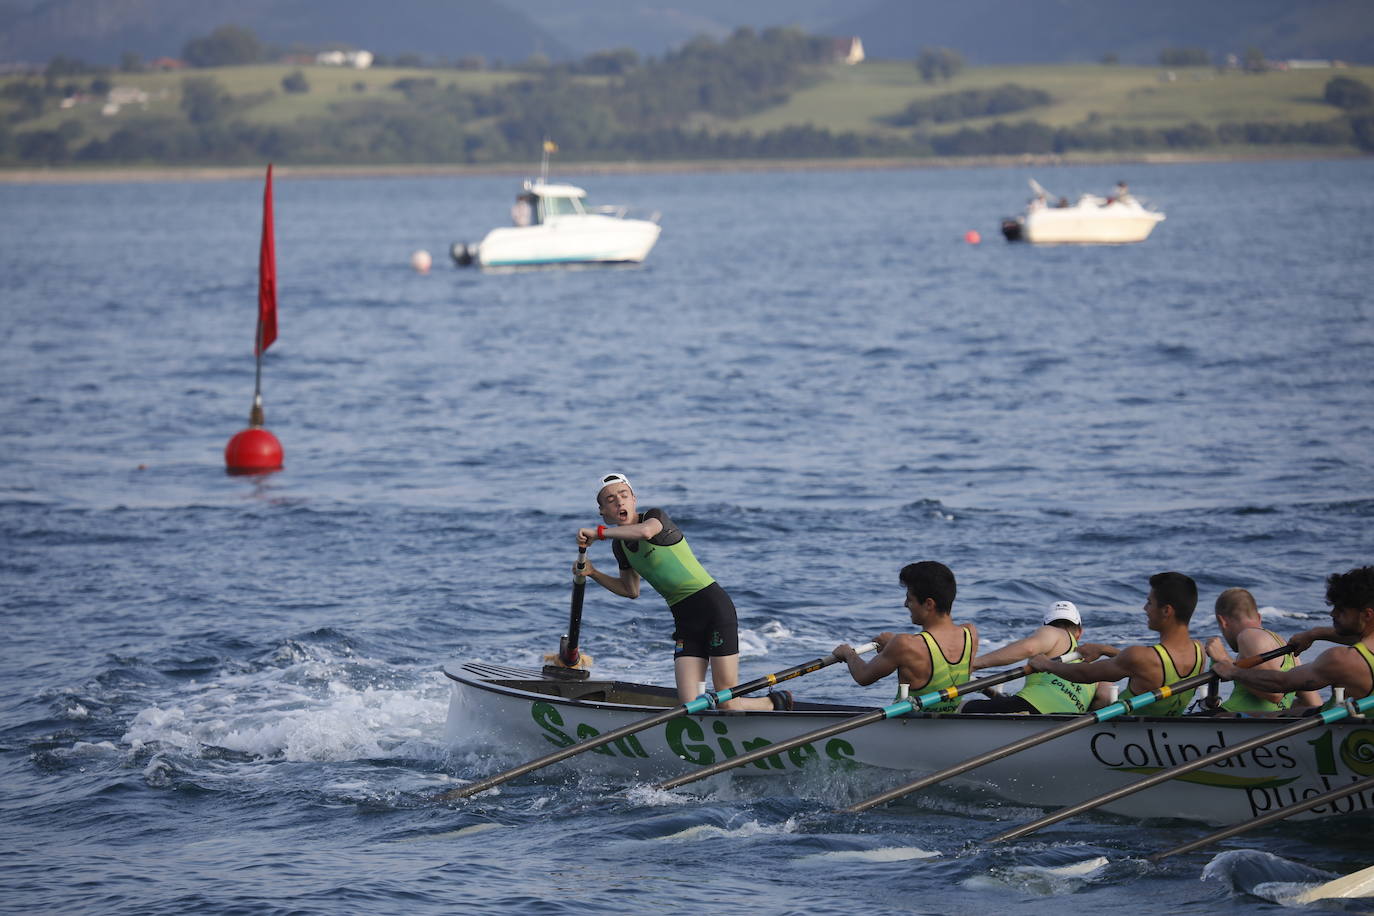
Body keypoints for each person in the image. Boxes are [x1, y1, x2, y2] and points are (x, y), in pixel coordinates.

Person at [576, 473, 781, 711]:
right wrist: (592, 572)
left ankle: (775, 702)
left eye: (624, 495)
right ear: (603, 512)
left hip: (714, 610)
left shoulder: (655, 517)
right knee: (691, 705)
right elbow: (631, 590)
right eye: (610, 500)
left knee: (729, 703)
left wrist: (599, 533)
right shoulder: (619, 546)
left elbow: (645, 533)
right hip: (685, 622)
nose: (619, 502)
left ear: (634, 499)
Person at [1027, 571, 1204, 716]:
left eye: (1150, 602)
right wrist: (1105, 650)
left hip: (1124, 733)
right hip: (1165, 731)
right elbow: (1150, 664)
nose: (1145, 608)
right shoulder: (1199, 651)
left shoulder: (1140, 657)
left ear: (1166, 611)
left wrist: (1047, 664)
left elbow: (1084, 674)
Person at [1212, 566, 1374, 708]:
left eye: (1341, 610)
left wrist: (1232, 670)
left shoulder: (1341, 659)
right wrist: (1315, 634)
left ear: (1367, 615)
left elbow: (1280, 683)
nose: (1332, 614)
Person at [831, 561, 978, 713]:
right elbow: (927, 650)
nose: (905, 604)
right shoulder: (970, 633)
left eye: (910, 599)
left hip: (909, 725)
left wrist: (848, 653)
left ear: (929, 604)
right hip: (948, 721)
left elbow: (863, 676)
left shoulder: (904, 644)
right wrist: (892, 645)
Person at [962, 600, 1112, 714]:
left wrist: (975, 664)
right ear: (1079, 632)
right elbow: (1105, 699)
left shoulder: (1055, 632)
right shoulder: (1098, 671)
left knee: (956, 708)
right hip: (1068, 723)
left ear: (1046, 624)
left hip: (1027, 706)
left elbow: (1029, 647)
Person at [1204, 587, 1322, 713]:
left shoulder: (1248, 636)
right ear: (1259, 618)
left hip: (1235, 720)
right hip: (1264, 723)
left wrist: (1224, 660)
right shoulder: (1288, 650)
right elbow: (1314, 703)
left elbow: (1275, 693)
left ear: (1223, 622)